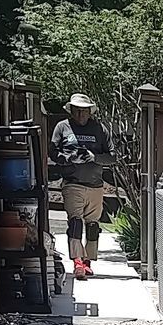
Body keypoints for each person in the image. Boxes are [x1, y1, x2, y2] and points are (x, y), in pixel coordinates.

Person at [52, 93, 111, 279]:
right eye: (76, 110)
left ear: (90, 111)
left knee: (93, 225)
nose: (80, 114)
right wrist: (65, 159)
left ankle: (88, 262)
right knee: (75, 222)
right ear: (71, 110)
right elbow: (53, 151)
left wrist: (94, 158)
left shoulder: (101, 129)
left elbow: (113, 156)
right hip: (72, 183)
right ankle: (77, 262)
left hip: (95, 185)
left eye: (84, 110)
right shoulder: (62, 127)